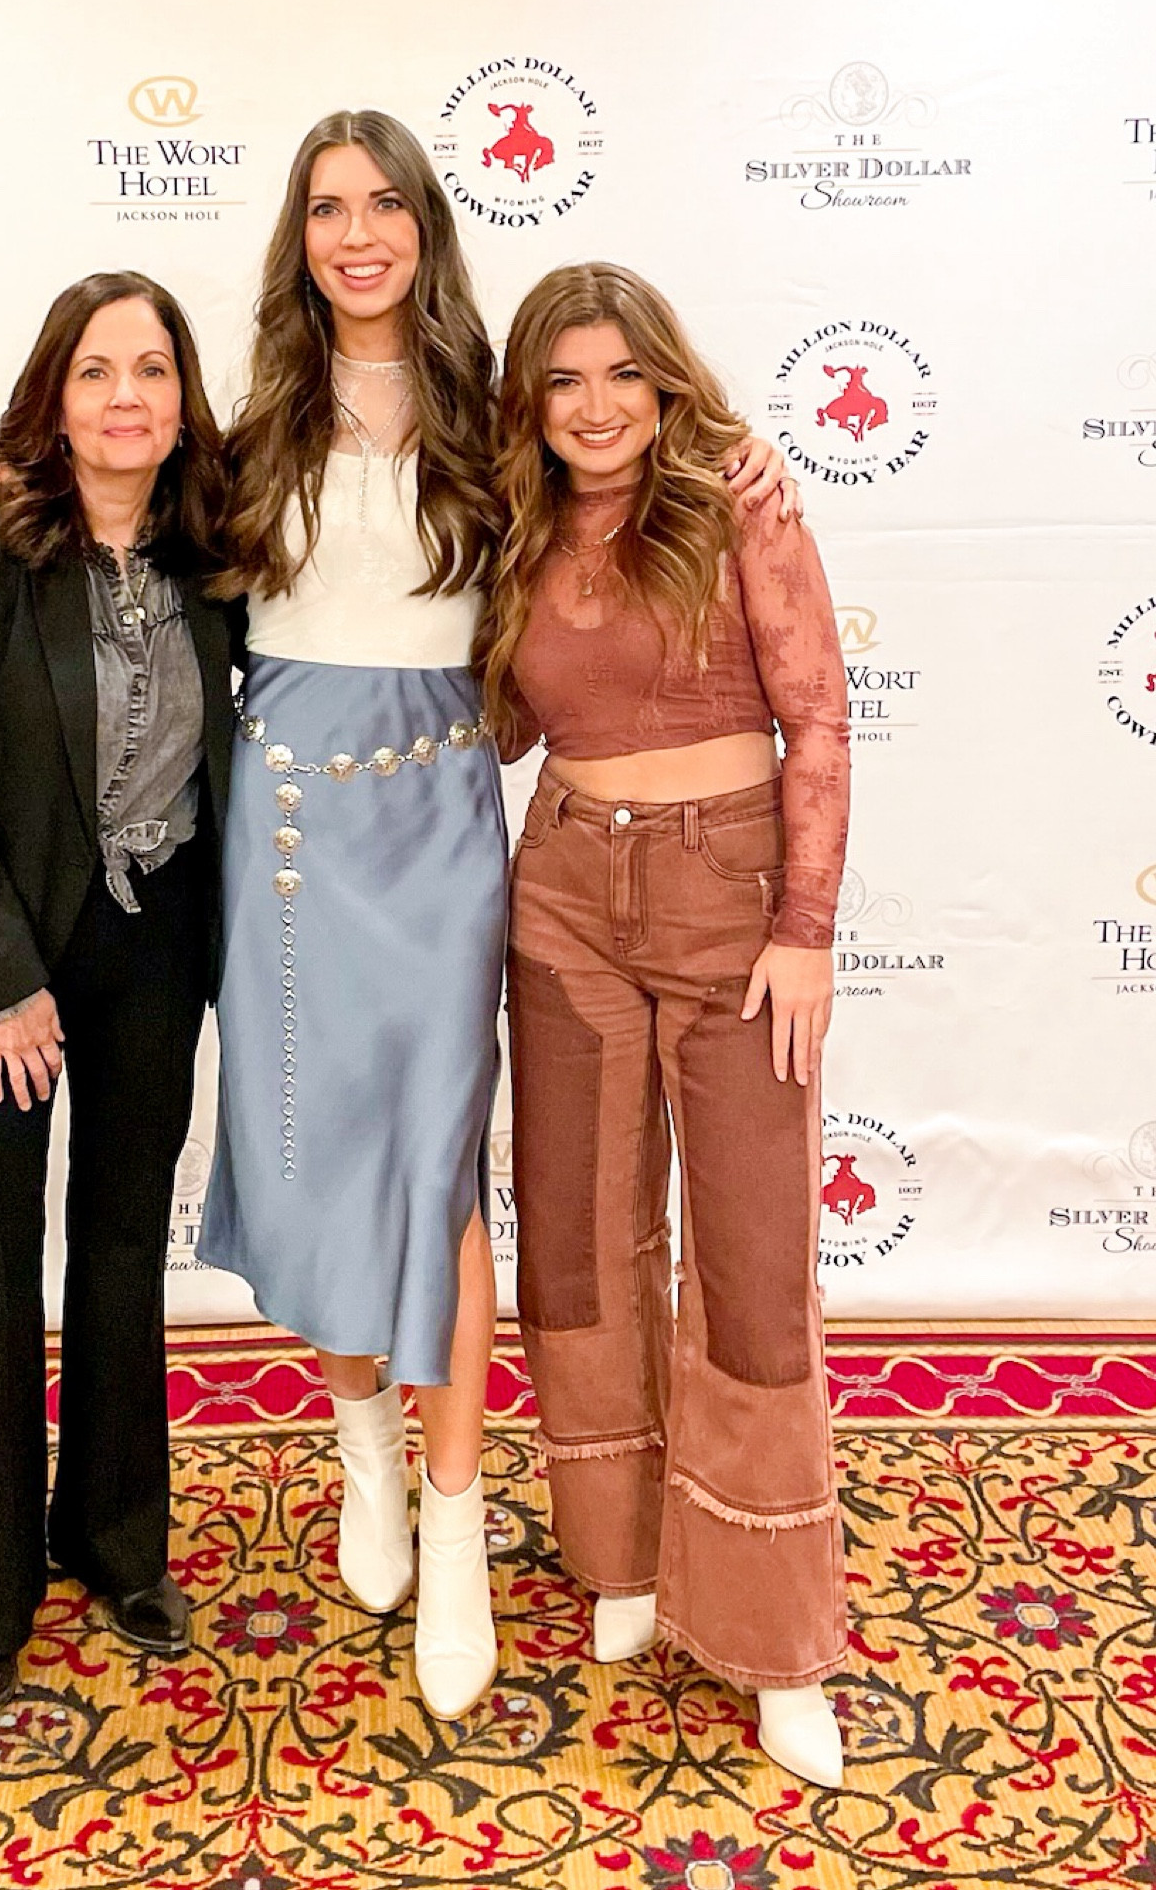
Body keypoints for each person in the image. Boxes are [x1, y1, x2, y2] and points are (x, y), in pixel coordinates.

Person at [195, 111, 795, 1722]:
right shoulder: (243, 425)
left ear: (427, 222)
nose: (357, 231)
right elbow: (109, 501)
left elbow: (619, 493)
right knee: (312, 1149)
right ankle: (369, 1457)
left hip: (447, 824)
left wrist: (738, 454)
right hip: (290, 830)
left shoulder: (491, 406)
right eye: (327, 205)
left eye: (385, 199)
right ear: (298, 236)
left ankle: (457, 1529)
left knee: (439, 1163)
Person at [478, 263, 851, 1787]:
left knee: (754, 1267)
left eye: (620, 375)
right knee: (578, 1239)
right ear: (531, 402)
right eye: (562, 382)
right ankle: (621, 1564)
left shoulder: (736, 500)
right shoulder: (513, 532)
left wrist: (806, 931)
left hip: (732, 901)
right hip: (561, 893)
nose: (596, 408)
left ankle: (772, 1637)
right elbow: (493, 725)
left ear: (665, 379)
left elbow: (817, 712)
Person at [0, 272, 238, 1721]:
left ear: (184, 399)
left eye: (153, 369)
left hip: (151, 946)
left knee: (125, 1246)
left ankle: (115, 1541)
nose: (127, 396)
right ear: (53, 396)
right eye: (96, 371)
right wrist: (7, 984)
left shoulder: (221, 550)